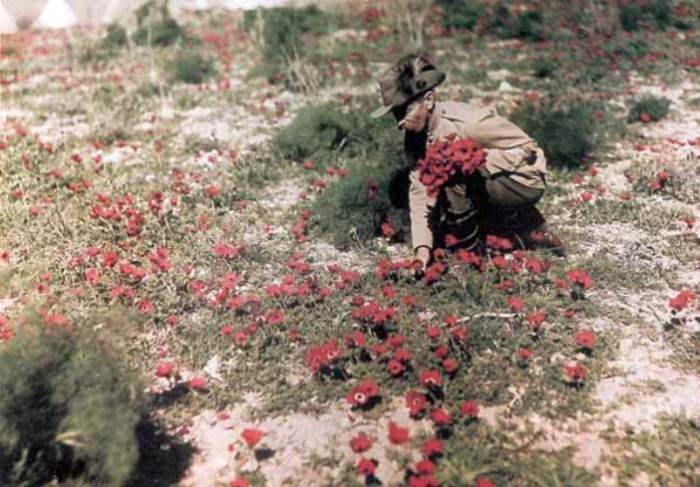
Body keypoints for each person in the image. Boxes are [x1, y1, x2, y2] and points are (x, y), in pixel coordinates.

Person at [371, 53, 565, 276]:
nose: (399, 124)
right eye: (394, 115)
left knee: (452, 171)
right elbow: (419, 192)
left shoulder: (470, 123)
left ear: (429, 100)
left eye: (404, 111)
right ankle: (529, 228)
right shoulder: (414, 137)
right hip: (487, 181)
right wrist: (421, 253)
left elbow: (529, 150)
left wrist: (473, 158)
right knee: (429, 181)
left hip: (523, 181)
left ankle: (474, 259)